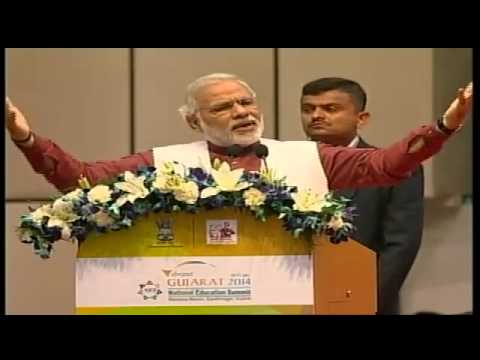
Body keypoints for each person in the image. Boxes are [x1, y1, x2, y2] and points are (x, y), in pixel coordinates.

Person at [5, 73, 473, 206]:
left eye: (246, 102)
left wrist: (443, 126)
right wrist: (25, 137)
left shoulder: (307, 156)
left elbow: (387, 165)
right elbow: (82, 181)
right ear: (194, 122)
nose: (242, 112)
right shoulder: (165, 160)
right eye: (224, 107)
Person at [300, 77, 424, 314]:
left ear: (361, 118)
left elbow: (400, 245)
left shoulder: (393, 168)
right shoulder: (282, 163)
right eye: (308, 109)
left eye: (330, 109)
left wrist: (364, 301)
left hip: (363, 301)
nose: (316, 115)